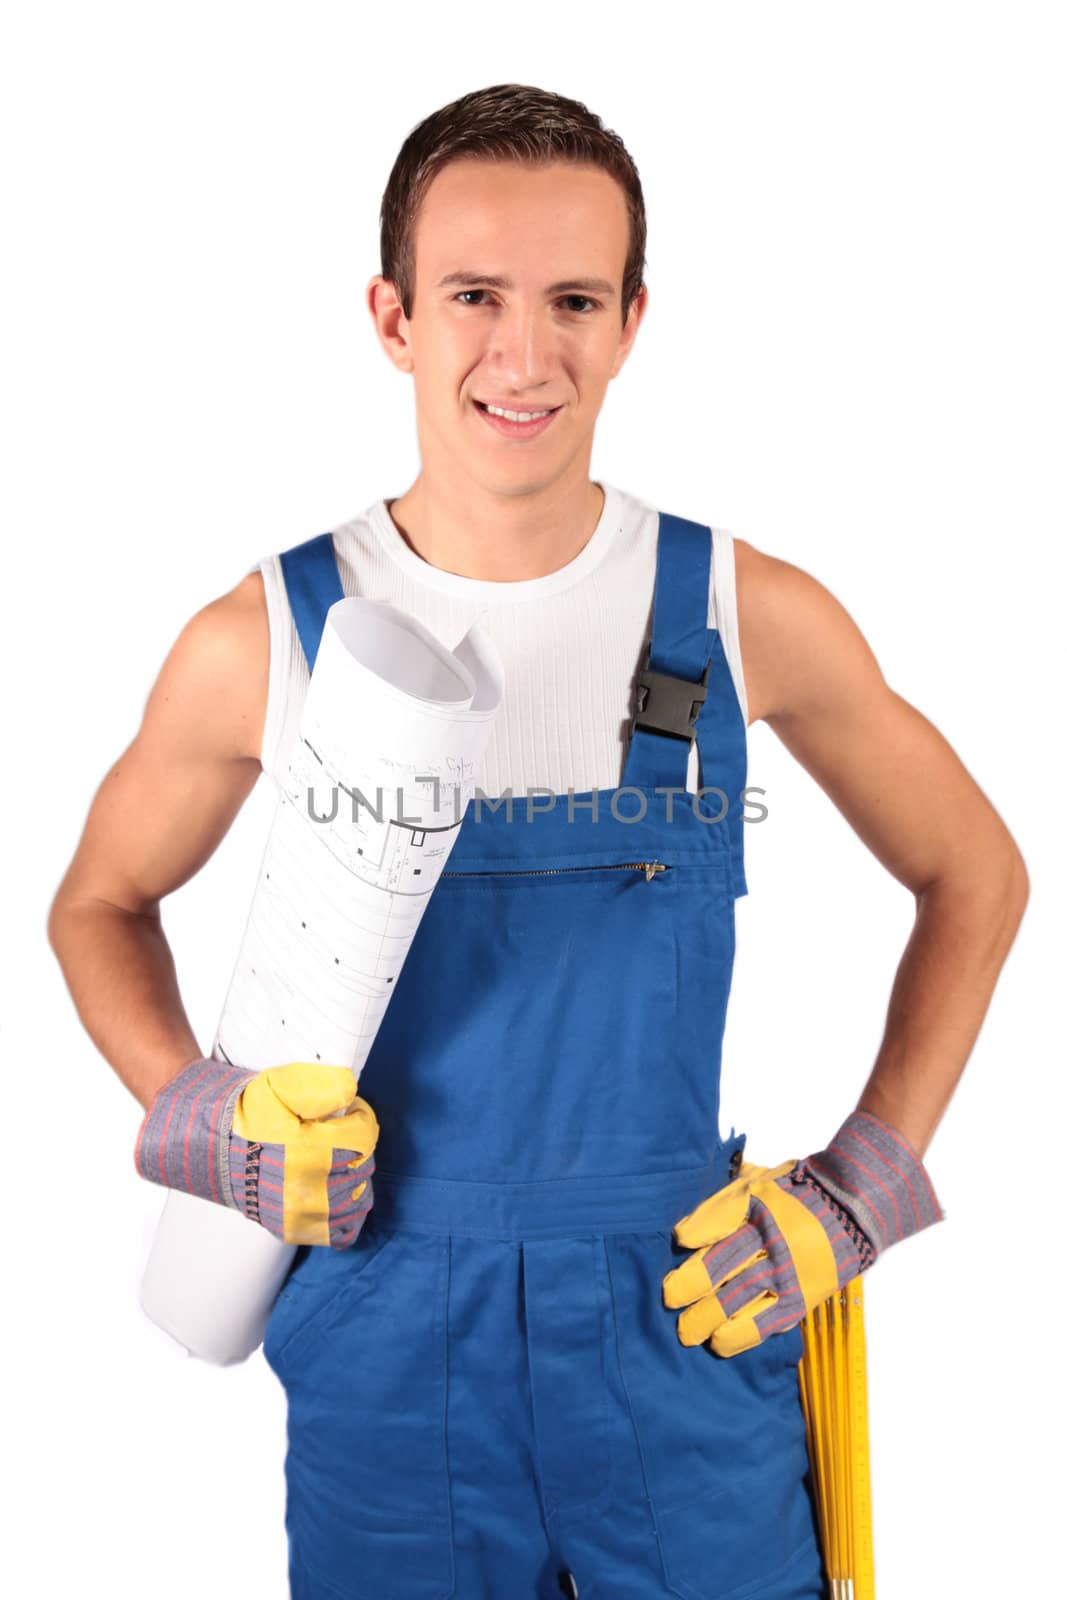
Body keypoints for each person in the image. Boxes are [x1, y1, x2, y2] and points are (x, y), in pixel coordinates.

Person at [47, 82, 1028, 1600]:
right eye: (474, 297)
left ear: (634, 319)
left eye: (574, 298)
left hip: (683, 1325)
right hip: (386, 1341)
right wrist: (203, 1121)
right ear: (393, 318)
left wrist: (862, 1188)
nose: (524, 352)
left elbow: (978, 868)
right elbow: (99, 902)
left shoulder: (739, 615)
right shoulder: (268, 640)